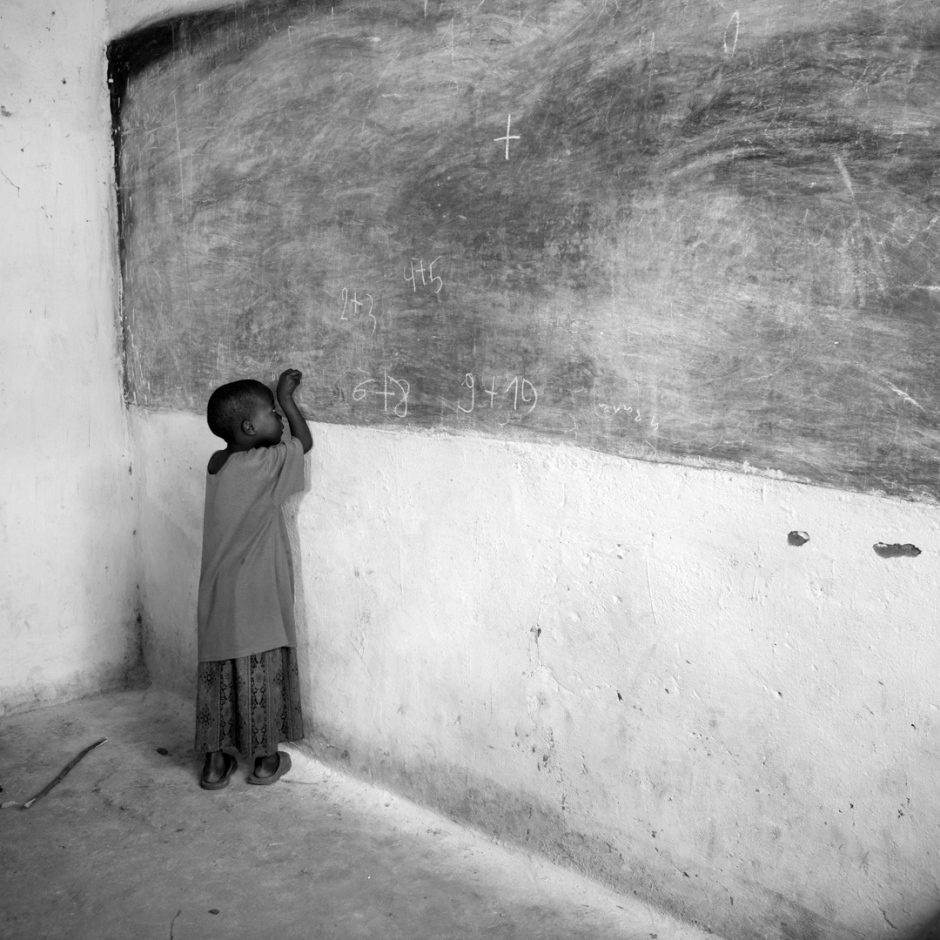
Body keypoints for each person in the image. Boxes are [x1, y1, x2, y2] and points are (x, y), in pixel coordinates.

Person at [194, 368, 313, 790]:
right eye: (271, 412)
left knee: (219, 677)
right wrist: (288, 397)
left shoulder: (217, 463)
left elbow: (268, 440)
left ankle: (213, 765)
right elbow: (303, 443)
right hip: (258, 594)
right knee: (258, 672)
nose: (278, 418)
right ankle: (264, 763)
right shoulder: (263, 464)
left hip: (217, 596)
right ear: (249, 427)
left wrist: (273, 404)